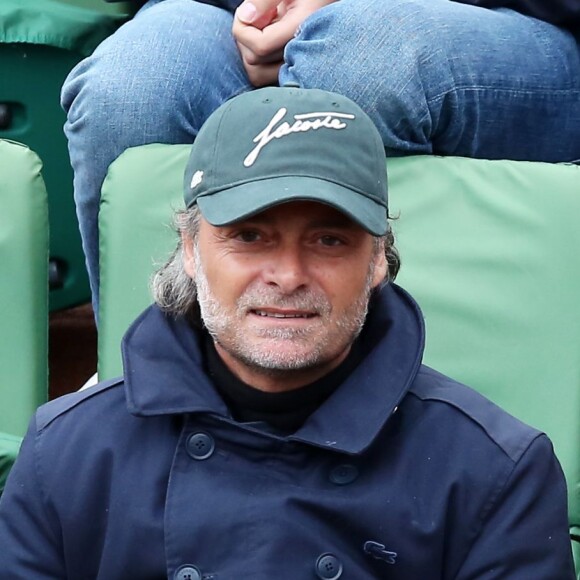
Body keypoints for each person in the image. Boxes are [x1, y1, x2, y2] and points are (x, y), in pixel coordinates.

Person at [1, 87, 574, 578]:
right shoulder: (67, 454)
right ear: (191, 252)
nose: (288, 276)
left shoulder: (494, 475)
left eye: (329, 240)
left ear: (378, 262)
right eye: (250, 236)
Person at [61, 0, 580, 317]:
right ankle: (146, 392)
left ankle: (400, 413)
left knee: (358, 62)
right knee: (128, 94)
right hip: (235, 10)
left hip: (520, 21)